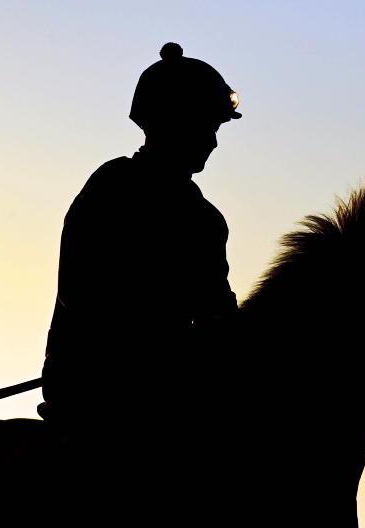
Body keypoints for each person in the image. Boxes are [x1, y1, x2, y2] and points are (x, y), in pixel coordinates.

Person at [39, 41, 241, 439]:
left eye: (216, 129)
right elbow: (80, 290)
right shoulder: (112, 188)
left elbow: (218, 310)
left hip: (169, 386)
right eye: (207, 127)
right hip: (98, 389)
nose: (214, 142)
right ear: (173, 122)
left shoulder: (206, 218)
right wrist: (159, 345)